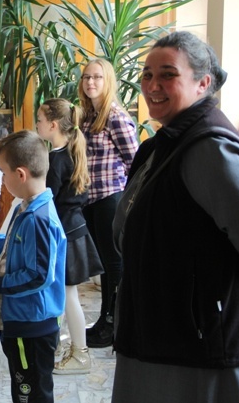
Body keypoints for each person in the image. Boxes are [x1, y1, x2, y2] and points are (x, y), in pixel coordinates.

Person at [111, 31, 239, 403]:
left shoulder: (209, 149)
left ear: (203, 83)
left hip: (199, 345)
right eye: (146, 74)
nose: (153, 85)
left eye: (168, 74)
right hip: (165, 331)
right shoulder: (167, 142)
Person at [0, 129, 66, 403]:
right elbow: (10, 249)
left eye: (3, 173)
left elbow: (38, 276)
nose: (2, 179)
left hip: (32, 325)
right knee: (25, 387)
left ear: (21, 174)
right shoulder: (28, 208)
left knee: (31, 392)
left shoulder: (38, 218)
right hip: (23, 321)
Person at [36, 98, 104, 375]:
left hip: (66, 234)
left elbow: (46, 199)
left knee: (67, 296)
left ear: (52, 125)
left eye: (39, 120)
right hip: (74, 230)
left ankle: (81, 354)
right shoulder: (70, 152)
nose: (37, 125)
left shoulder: (55, 159)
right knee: (65, 295)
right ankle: (67, 346)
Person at [78, 58, 139, 347]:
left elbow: (137, 165)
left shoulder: (116, 117)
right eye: (87, 77)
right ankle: (105, 320)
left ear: (108, 81)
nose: (91, 82)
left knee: (114, 265)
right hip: (91, 201)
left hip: (110, 200)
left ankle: (115, 325)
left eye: (97, 77)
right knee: (104, 265)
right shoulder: (88, 117)